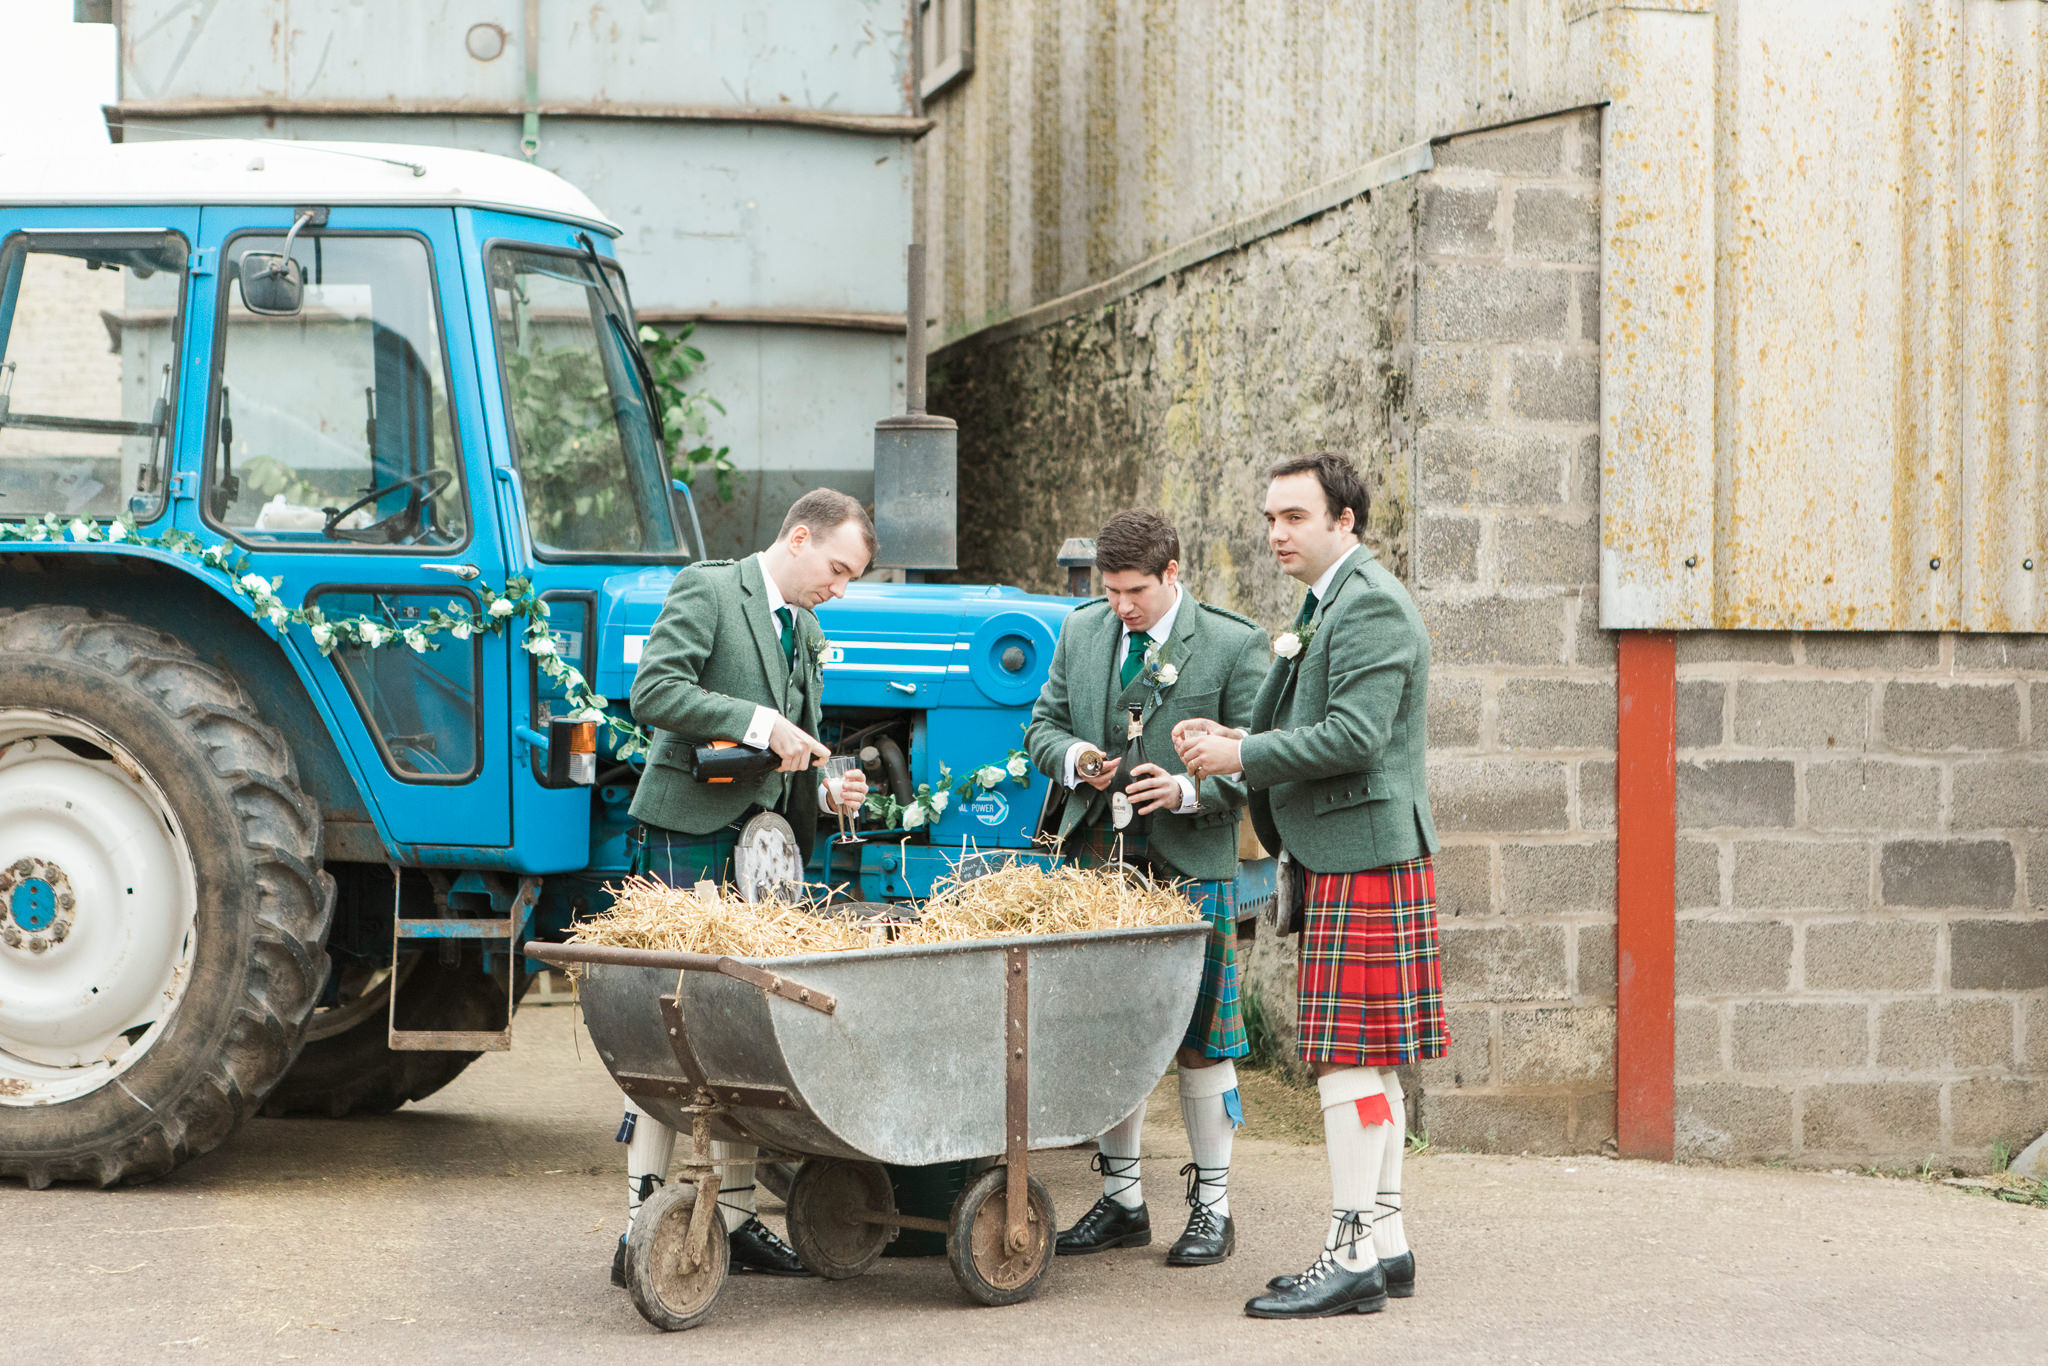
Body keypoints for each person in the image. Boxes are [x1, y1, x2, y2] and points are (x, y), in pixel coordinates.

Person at [1174, 453, 1447, 1320]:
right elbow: (1311, 721)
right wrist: (1238, 733)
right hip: (1351, 853)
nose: (1276, 533)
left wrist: (1241, 756)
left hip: (1362, 855)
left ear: (1345, 522)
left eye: (1294, 516)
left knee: (1345, 1061)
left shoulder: (1368, 604)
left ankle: (1349, 1254)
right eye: (1270, 518)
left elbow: (1357, 737)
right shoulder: (1329, 599)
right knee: (1367, 1061)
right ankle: (1388, 1241)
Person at [609, 488, 875, 1287]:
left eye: (852, 577)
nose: (841, 587)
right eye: (837, 568)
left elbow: (793, 751)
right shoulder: (710, 589)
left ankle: (734, 1220)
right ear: (799, 538)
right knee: (669, 1030)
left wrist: (825, 791)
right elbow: (653, 693)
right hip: (687, 831)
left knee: (742, 1030)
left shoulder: (810, 630)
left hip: (763, 852)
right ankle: (637, 1234)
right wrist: (760, 723)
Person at [1026, 508, 1269, 1267]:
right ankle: (1123, 1200)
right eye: (1110, 590)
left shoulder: (1234, 643)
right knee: (1109, 1029)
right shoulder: (1082, 631)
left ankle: (1212, 1209)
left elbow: (1261, 761)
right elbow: (1042, 726)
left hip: (1193, 860)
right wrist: (1076, 758)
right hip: (1099, 856)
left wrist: (1193, 792)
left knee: (1202, 1037)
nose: (1120, 606)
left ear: (1172, 574)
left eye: (1134, 590)